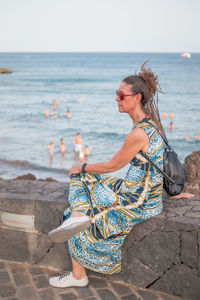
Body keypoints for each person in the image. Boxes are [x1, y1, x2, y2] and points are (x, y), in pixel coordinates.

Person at [48, 62, 194, 288]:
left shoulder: (139, 132)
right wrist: (172, 193)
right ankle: (78, 214)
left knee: (80, 180)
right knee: (84, 185)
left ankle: (79, 273)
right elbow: (161, 161)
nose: (116, 98)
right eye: (117, 94)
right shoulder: (149, 123)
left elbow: (111, 166)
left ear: (136, 97)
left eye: (120, 94)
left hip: (139, 200)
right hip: (139, 190)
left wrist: (82, 166)